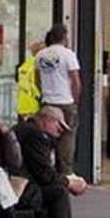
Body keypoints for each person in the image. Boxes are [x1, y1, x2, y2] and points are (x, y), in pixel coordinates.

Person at [14, 106, 87, 218]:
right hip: (19, 190)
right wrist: (69, 184)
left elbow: (52, 172)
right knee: (58, 194)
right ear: (47, 121)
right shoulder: (34, 136)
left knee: (51, 192)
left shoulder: (42, 136)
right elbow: (44, 174)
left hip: (25, 187)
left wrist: (70, 180)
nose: (60, 131)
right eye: (58, 126)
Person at [35, 24, 82, 175]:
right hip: (65, 102)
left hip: (47, 103)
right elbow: (75, 80)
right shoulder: (68, 54)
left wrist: (45, 93)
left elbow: (37, 79)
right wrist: (75, 101)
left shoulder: (40, 55)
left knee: (45, 139)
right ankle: (65, 173)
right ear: (64, 37)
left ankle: (46, 172)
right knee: (67, 138)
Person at [17, 40, 44, 119]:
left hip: (24, 105)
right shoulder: (39, 64)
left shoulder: (26, 64)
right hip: (34, 105)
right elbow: (37, 83)